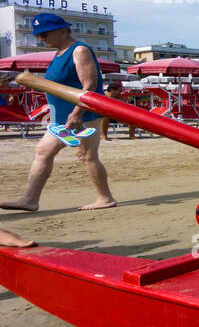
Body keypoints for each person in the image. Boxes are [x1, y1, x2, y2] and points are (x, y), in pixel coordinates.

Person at [1, 13, 116, 212]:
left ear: (63, 31)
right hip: (62, 119)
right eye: (38, 35)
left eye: (45, 34)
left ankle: (105, 198)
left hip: (82, 117)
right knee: (44, 151)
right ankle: (30, 199)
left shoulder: (79, 50)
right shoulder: (60, 52)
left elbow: (90, 85)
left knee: (86, 156)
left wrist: (77, 113)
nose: (40, 39)